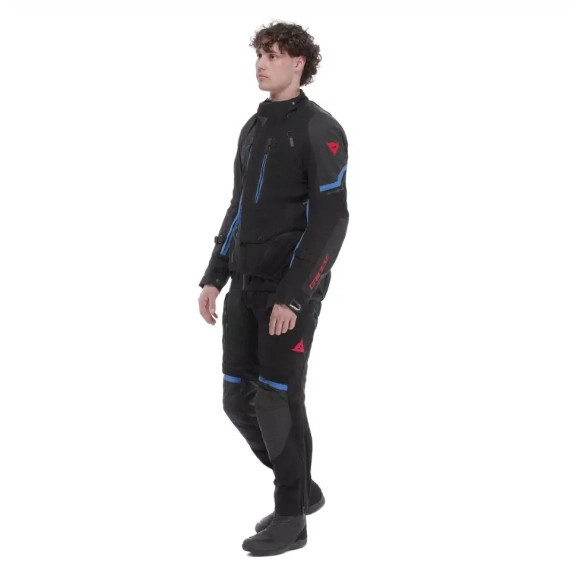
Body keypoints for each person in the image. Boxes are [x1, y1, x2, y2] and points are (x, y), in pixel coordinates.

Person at [198, 20, 349, 556]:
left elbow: (331, 220)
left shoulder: (319, 129)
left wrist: (294, 294)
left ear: (299, 63)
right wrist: (214, 275)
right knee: (237, 398)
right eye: (259, 54)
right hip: (245, 284)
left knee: (277, 398)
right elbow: (239, 205)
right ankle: (300, 489)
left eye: (274, 55)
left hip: (289, 291)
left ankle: (292, 519)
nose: (262, 64)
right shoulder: (254, 126)